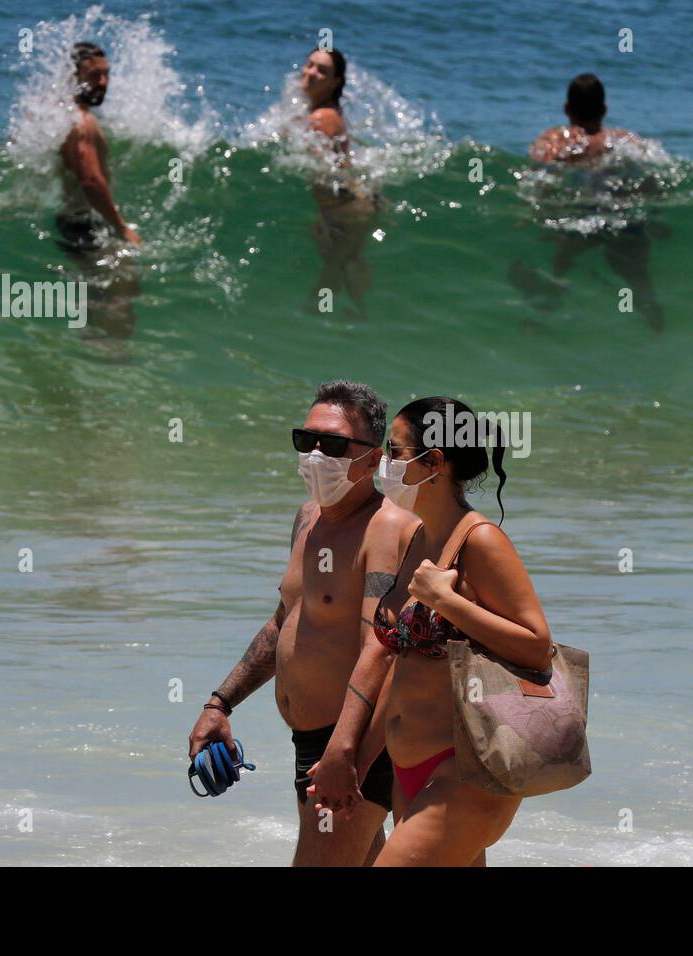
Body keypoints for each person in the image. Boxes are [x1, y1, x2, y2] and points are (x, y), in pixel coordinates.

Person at [187, 381, 417, 866]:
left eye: (332, 445)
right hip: (315, 744)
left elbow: (384, 653)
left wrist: (345, 754)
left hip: (354, 745)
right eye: (305, 440)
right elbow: (283, 623)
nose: (315, 454)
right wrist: (220, 704)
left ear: (372, 460)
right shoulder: (308, 518)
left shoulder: (386, 528)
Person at [340, 397, 553, 866]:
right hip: (409, 770)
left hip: (467, 774)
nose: (384, 462)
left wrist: (447, 602)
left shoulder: (479, 540)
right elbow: (400, 666)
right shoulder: (419, 538)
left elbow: (538, 648)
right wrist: (353, 755)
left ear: (433, 461)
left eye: (394, 451)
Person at [519, 73, 665, 329]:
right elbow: (653, 180)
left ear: (567, 108)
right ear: (604, 109)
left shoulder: (555, 140)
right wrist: (656, 218)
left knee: (560, 267)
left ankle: (541, 318)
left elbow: (542, 177)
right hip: (624, 217)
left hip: (584, 217)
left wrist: (534, 213)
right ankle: (657, 327)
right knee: (640, 280)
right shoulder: (627, 140)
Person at [57, 41, 142, 342]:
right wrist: (121, 228)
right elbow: (91, 182)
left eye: (107, 75)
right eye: (94, 75)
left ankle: (89, 342)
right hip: (84, 223)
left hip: (72, 221)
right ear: (73, 76)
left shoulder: (58, 114)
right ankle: (110, 350)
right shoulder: (83, 124)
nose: (103, 82)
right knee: (124, 283)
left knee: (101, 286)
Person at [299, 48, 377, 320]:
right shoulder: (323, 113)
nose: (311, 73)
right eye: (309, 65)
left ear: (335, 82)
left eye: (322, 70)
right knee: (345, 263)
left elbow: (321, 165)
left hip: (345, 208)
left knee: (333, 268)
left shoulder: (322, 118)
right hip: (347, 206)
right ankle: (362, 316)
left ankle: (312, 321)